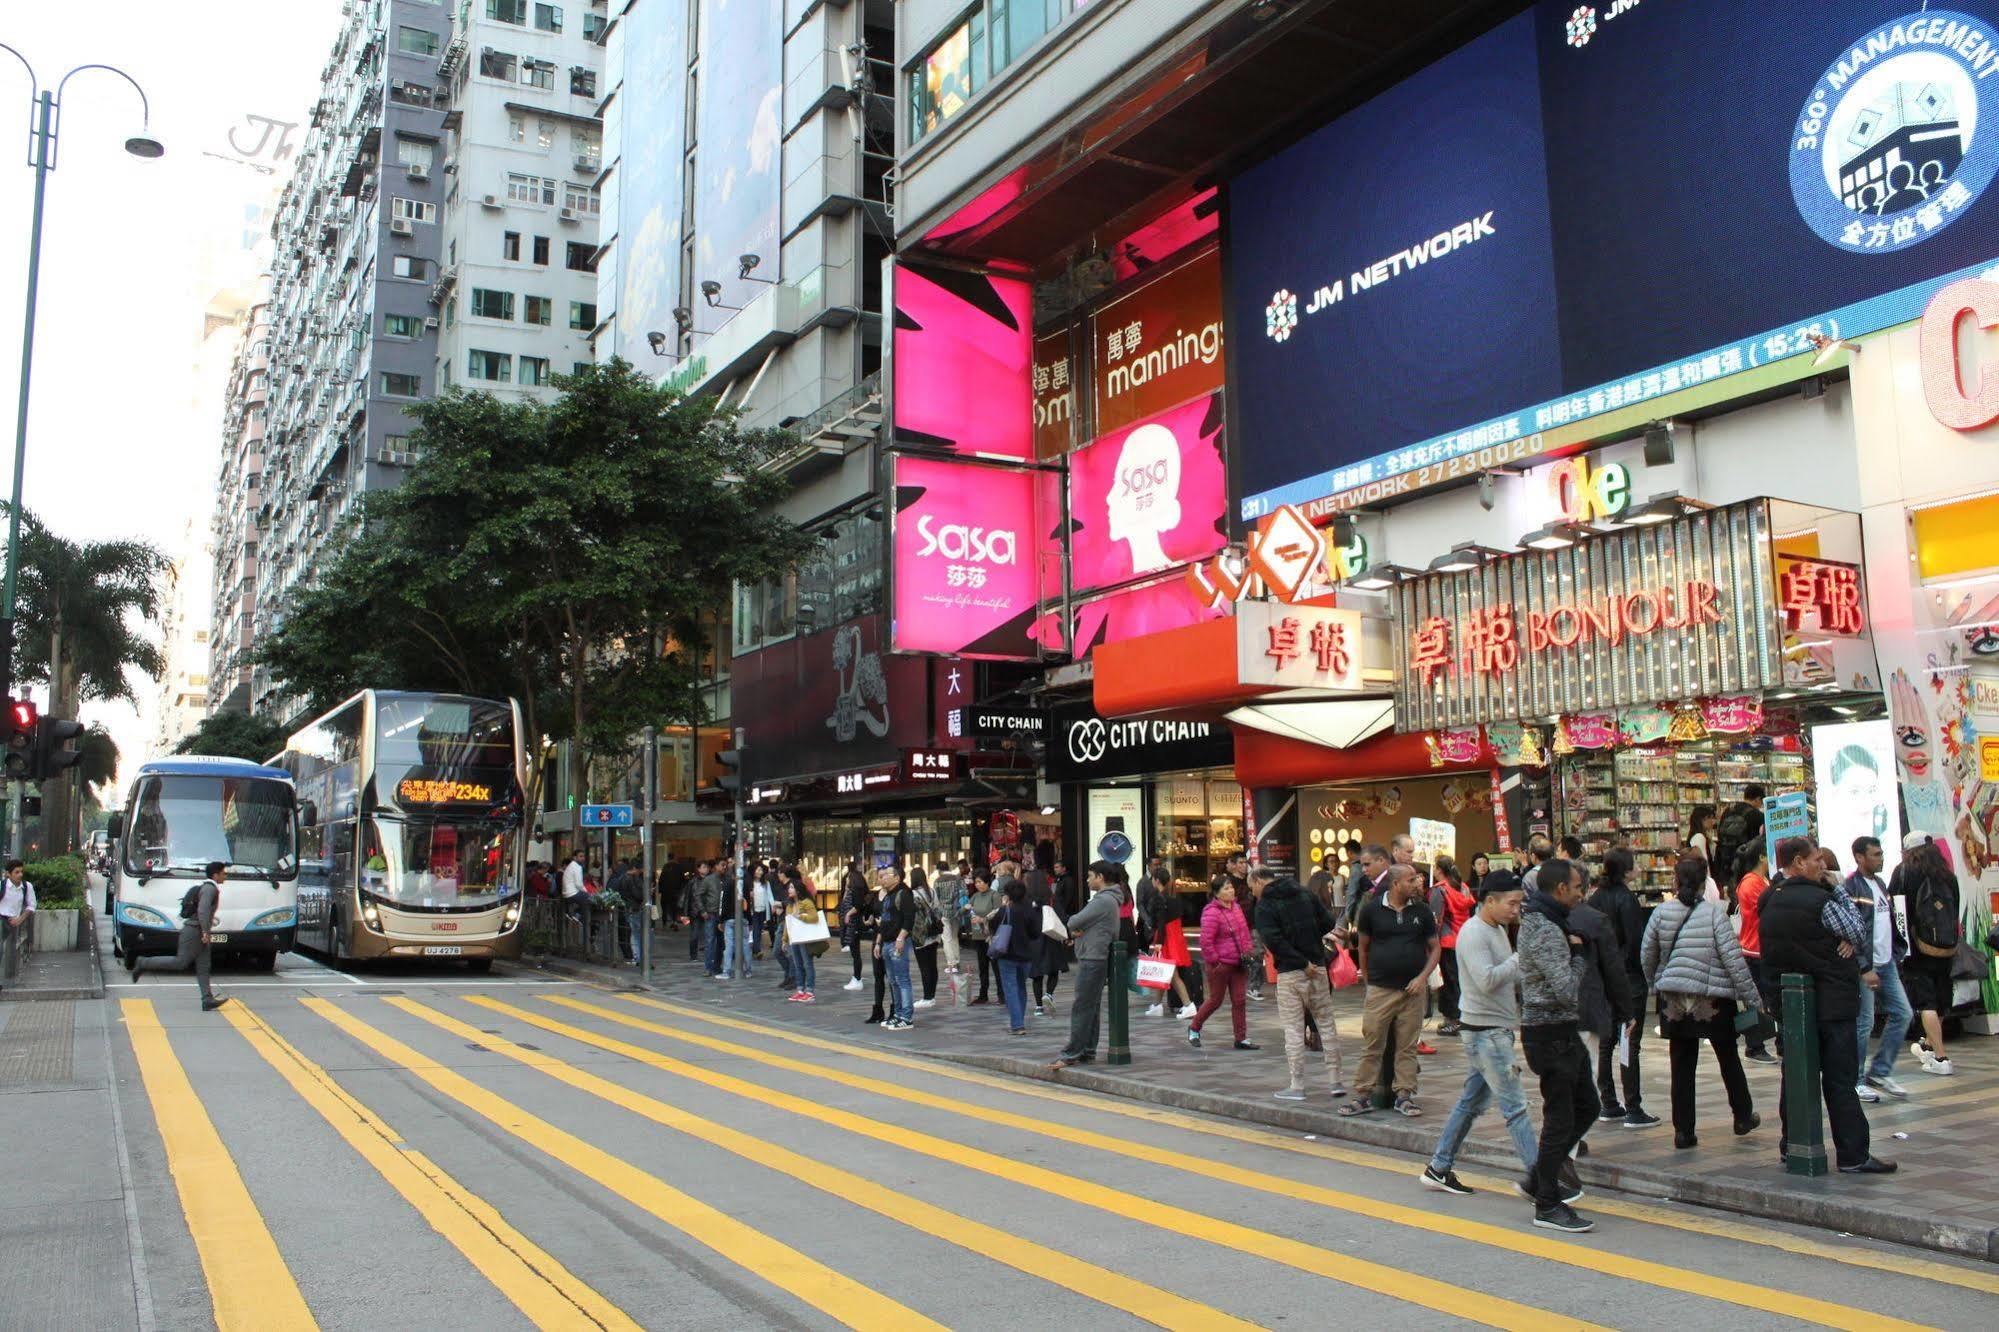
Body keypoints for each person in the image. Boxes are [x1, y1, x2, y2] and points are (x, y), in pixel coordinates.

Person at [1760, 835, 1894, 1173]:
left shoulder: (1769, 900)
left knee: (1795, 1076)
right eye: (1817, 859)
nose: (1823, 865)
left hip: (1790, 1005)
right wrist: (1835, 891)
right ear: (1798, 863)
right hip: (1832, 1003)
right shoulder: (1821, 900)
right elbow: (1858, 930)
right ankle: (1853, 1154)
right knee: (1839, 1080)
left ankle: (1792, 1147)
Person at [1422, 872, 1545, 1197]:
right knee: (1516, 1108)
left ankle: (1439, 1167)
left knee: (1469, 1104)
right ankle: (1540, 1180)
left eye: (1519, 903)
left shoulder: (1496, 928)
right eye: (1512, 903)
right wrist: (1521, 959)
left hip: (1492, 1030)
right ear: (1490, 900)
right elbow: (1487, 979)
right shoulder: (1475, 933)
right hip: (1486, 1033)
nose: (1516, 909)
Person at [1642, 855, 1763, 1150]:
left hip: (1674, 998)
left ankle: (1683, 1131)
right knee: (1727, 1056)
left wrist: (1656, 981)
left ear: (1675, 879)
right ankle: (1742, 1115)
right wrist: (1752, 998)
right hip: (1712, 998)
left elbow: (1647, 953)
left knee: (1681, 1064)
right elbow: (1733, 961)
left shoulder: (1661, 913)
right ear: (1704, 882)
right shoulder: (1714, 914)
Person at [1516, 859, 1599, 1234]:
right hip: (1551, 1034)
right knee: (1561, 1118)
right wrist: (1580, 958)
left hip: (1558, 1032)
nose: (1581, 894)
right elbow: (1565, 991)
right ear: (1561, 889)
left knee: (1588, 1106)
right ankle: (1547, 1202)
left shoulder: (1544, 922)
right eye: (1578, 887)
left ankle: (1540, 1178)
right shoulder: (1548, 930)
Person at [1340, 863, 1439, 1118]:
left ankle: (1404, 1095)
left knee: (1407, 1046)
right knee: (1372, 1043)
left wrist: (1422, 978)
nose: (1417, 883)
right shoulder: (1372, 910)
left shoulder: (1422, 911)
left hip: (1413, 990)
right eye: (1411, 880)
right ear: (1396, 884)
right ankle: (1363, 1095)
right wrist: (1368, 980)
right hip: (1380, 989)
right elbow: (1363, 947)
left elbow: (1434, 948)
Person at [1252, 865, 1347, 1100]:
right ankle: (1335, 1081)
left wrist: (1300, 961)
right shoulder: (1305, 894)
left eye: (1251, 886)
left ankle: (1297, 1085)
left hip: (1291, 972)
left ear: (1258, 881)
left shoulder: (1265, 906)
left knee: (1293, 1028)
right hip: (1318, 968)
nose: (1252, 891)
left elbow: (1274, 941)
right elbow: (1327, 922)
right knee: (1326, 1024)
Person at [1588, 848, 1657, 1128]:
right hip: (1627, 979)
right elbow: (1635, 943)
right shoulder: (1625, 899)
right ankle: (1633, 1107)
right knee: (1629, 1042)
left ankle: (1608, 1102)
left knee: (1606, 1043)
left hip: (1602, 979)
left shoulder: (1596, 897)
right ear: (1626, 870)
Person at [1843, 836, 1913, 1103]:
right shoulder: (1853, 887)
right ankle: (1857, 1079)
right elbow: (1853, 930)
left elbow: (1887, 923)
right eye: (1875, 854)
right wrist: (1863, 967)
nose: (1881, 858)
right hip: (1868, 967)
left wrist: (1895, 952)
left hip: (1887, 963)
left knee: (1903, 1013)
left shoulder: (1880, 884)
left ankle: (1880, 1070)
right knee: (1864, 1022)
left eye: (1881, 853)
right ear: (1860, 857)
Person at [1050, 862, 1126, 1069]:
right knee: (1090, 1006)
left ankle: (1071, 1053)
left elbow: (1074, 921)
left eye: (1090, 875)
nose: (1087, 880)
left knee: (1082, 1006)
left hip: (1093, 958)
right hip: (1096, 956)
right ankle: (1087, 1050)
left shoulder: (1102, 901)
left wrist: (1077, 928)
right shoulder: (1110, 899)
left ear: (1100, 877)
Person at [129, 860, 231, 1011]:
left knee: (203, 966)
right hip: (194, 932)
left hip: (198, 930)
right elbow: (202, 910)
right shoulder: (210, 889)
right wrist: (204, 931)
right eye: (224, 873)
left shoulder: (209, 888)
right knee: (180, 962)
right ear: (215, 875)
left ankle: (207, 999)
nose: (226, 876)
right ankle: (143, 963)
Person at [1899, 838, 1961, 1076]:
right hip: (1946, 947)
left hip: (1917, 947)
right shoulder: (1948, 876)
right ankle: (1928, 1044)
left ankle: (1941, 1057)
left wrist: (1902, 946)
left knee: (1926, 1002)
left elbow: (1899, 911)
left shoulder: (1905, 873)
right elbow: (1955, 911)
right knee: (1941, 997)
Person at [1187, 876, 1257, 1050]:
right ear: (1217, 893)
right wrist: (1215, 961)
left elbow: (1244, 933)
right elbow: (1206, 941)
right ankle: (1194, 1027)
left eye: (1231, 887)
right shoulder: (1211, 912)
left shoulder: (1237, 908)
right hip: (1221, 964)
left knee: (1240, 1000)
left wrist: (1248, 951)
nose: (1231, 891)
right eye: (1226, 889)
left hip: (1239, 963)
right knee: (1215, 1000)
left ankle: (1240, 1038)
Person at [1731, 843, 1777, 1063]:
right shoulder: (1751, 883)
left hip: (1763, 948)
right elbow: (1766, 911)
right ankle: (1754, 1046)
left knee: (1765, 998)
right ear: (1761, 856)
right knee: (1756, 1000)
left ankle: (1766, 1043)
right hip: (1754, 949)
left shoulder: (1762, 881)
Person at [1139, 867, 1196, 1019]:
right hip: (1175, 935)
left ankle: (1188, 1005)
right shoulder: (1175, 898)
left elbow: (1161, 922)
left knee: (1171, 974)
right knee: (1163, 971)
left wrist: (1158, 942)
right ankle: (1157, 1005)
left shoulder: (1159, 899)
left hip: (1166, 938)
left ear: (1156, 880)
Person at [989, 877, 1042, 1036]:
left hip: (1007, 955)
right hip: (1026, 956)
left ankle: (1017, 1025)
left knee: (1010, 989)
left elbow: (993, 927)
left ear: (1008, 895)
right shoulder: (1029, 911)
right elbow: (1035, 933)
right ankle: (1019, 1022)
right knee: (1020, 988)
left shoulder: (1004, 911)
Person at [1431, 857, 1475, 1037]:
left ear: (1439, 869)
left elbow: (1436, 919)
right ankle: (1463, 1017)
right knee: (1460, 980)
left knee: (1448, 982)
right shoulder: (1463, 887)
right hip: (1463, 938)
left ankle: (1453, 1020)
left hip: (1446, 941)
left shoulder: (1440, 890)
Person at [875, 867, 917, 1031]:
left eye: (887, 875)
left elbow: (909, 918)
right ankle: (898, 1014)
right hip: (887, 942)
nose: (883, 878)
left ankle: (906, 1016)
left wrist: (901, 937)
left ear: (897, 878)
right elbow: (884, 921)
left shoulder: (904, 893)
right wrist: (878, 942)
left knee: (902, 979)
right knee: (893, 980)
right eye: (882, 876)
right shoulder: (888, 896)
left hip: (898, 942)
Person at [1028, 865, 1068, 1016]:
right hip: (1051, 937)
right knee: (1053, 969)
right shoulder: (1051, 899)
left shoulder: (1027, 899)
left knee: (1036, 974)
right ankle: (1049, 994)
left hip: (1034, 940)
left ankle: (1038, 1007)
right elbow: (1062, 917)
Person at [1712, 784, 1766, 893]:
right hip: (1746, 865)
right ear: (1758, 799)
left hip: (1725, 862)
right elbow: (1760, 842)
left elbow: (1720, 835)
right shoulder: (1757, 816)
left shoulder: (1727, 811)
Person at [966, 868, 1003, 1004]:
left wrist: (983, 919)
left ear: (987, 882)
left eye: (980, 882)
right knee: (982, 967)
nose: (978, 885)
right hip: (978, 936)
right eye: (976, 882)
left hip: (991, 936)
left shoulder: (994, 895)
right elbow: (969, 910)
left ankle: (1001, 994)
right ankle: (983, 994)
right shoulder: (975, 896)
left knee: (996, 967)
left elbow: (999, 914)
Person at [909, 866, 943, 1008]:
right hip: (934, 933)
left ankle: (927, 997)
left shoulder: (913, 894)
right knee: (932, 965)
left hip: (921, 934)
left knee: (924, 966)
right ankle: (931, 995)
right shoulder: (932, 892)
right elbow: (938, 910)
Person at [784, 880, 822, 1003]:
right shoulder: (790, 906)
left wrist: (801, 916)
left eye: (792, 887)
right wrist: (784, 940)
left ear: (798, 890)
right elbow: (787, 924)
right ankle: (800, 990)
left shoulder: (806, 902)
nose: (789, 890)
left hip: (805, 938)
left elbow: (814, 917)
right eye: (789, 887)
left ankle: (809, 991)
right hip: (794, 938)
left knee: (807, 964)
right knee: (798, 964)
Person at [0, 860, 36, 984]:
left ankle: (8, 980)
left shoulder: (26, 887)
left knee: (11, 951)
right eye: (16, 872)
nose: (20, 874)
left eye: (21, 871)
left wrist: (19, 919)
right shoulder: (2, 886)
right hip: (1, 919)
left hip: (15, 922)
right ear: (9, 874)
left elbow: (31, 906)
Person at [935, 859, 967, 975]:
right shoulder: (957, 879)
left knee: (946, 939)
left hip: (944, 912)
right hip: (957, 911)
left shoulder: (938, 881)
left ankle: (951, 963)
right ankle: (957, 961)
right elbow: (965, 893)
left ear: (939, 870)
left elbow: (936, 899)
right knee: (954, 937)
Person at [562, 848, 589, 920]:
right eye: (580, 856)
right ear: (574, 857)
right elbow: (579, 884)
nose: (583, 858)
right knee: (590, 899)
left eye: (583, 856)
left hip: (566, 894)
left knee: (585, 899)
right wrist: (586, 891)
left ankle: (573, 915)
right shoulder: (577, 867)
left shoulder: (570, 866)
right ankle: (578, 917)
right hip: (573, 893)